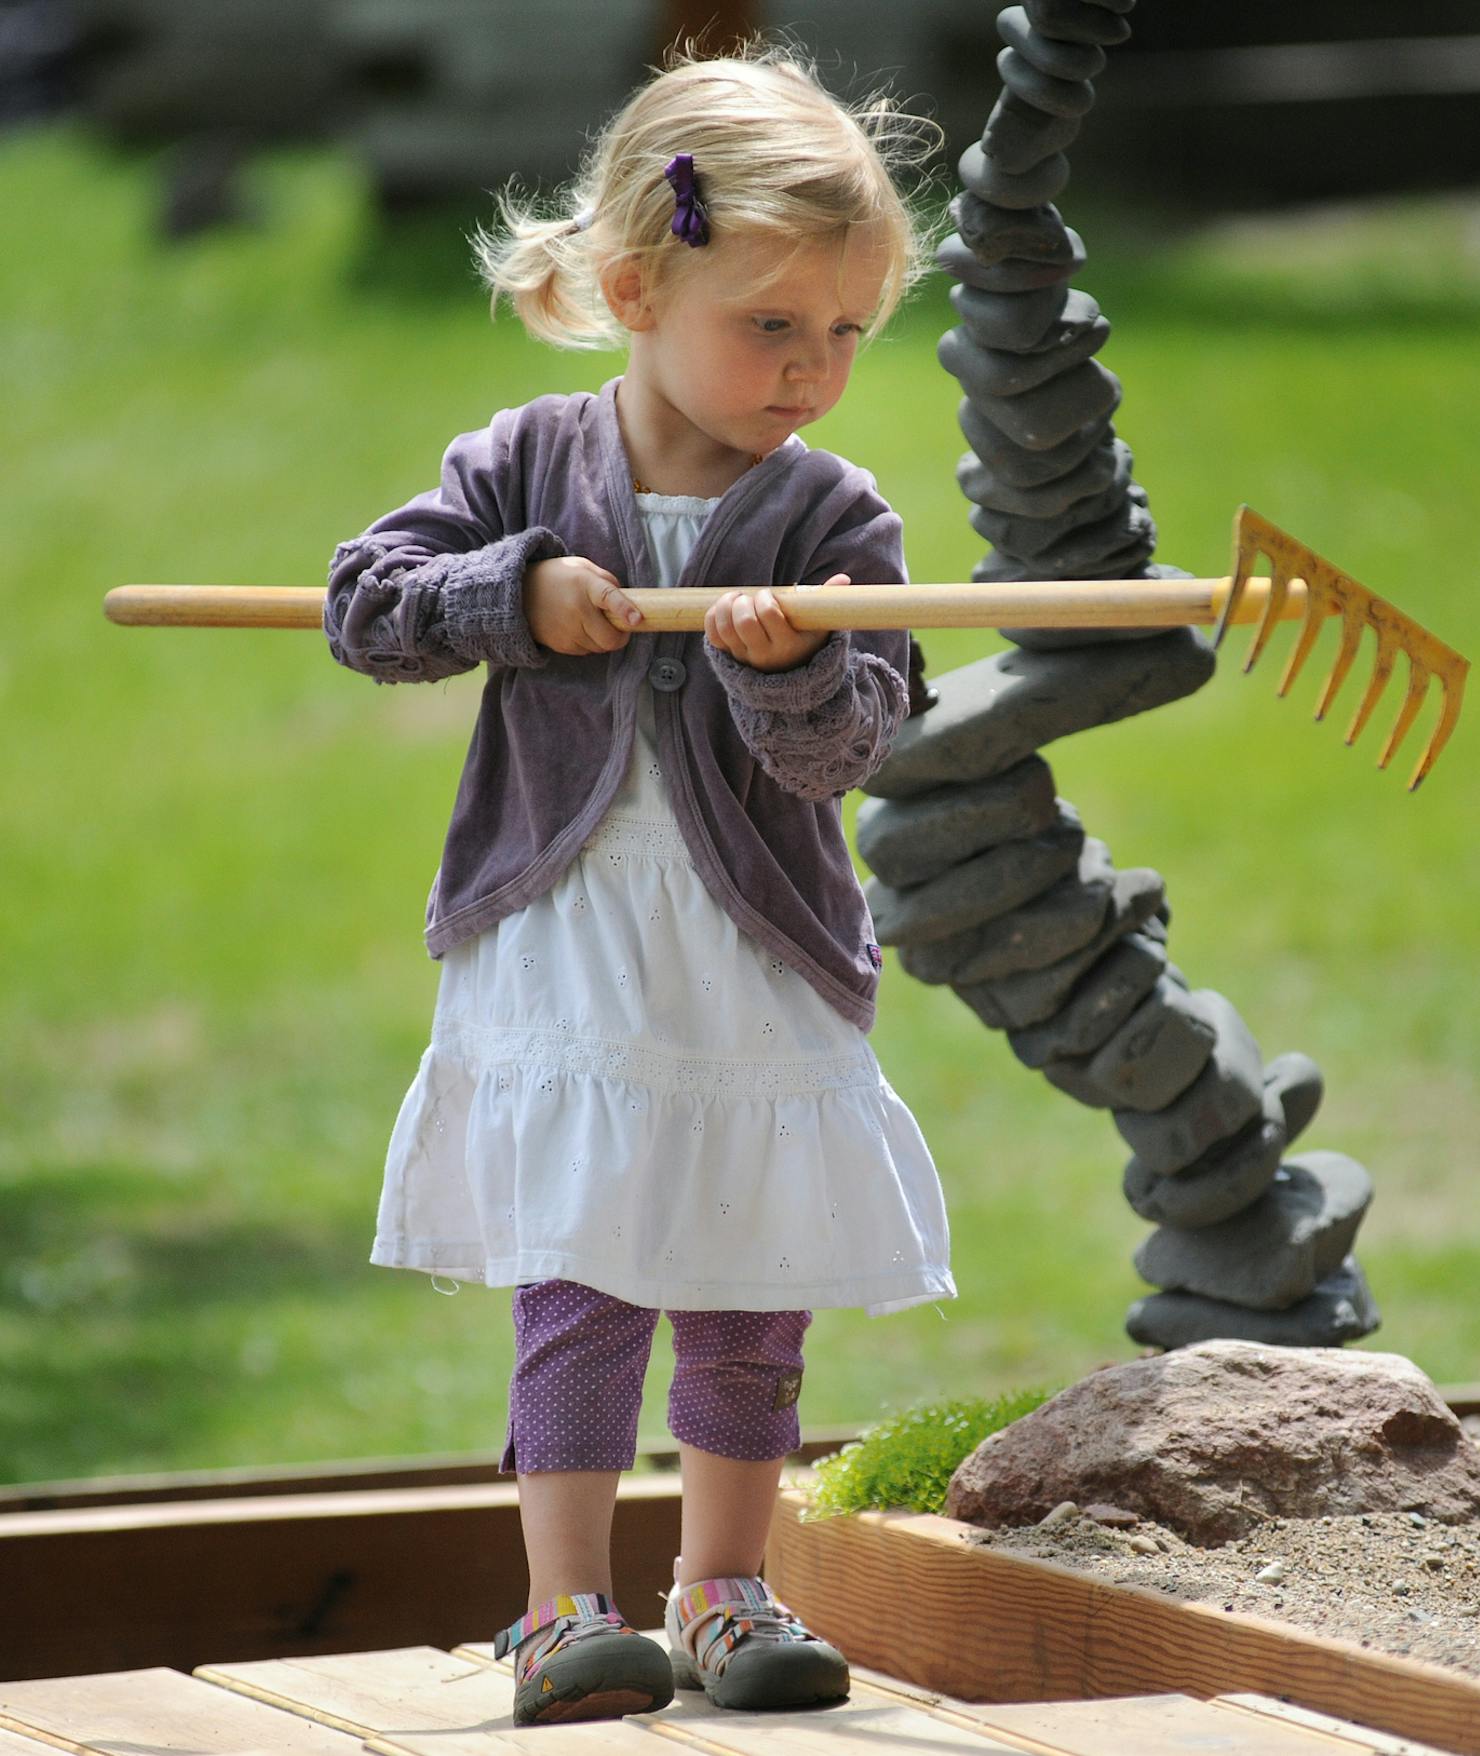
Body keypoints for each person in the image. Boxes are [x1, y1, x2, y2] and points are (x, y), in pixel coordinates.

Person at [321, 45, 951, 1726]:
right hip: (573, 942)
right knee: (584, 1273)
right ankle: (560, 1608)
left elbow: (858, 744)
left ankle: (728, 1593)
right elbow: (367, 602)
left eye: (845, 335)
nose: (813, 373)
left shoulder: (833, 515)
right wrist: (513, 598)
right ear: (630, 288)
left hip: (748, 953)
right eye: (773, 327)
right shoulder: (527, 464)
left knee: (749, 1290)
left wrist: (794, 672)